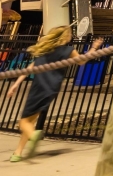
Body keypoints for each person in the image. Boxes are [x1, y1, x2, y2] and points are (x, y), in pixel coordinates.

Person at [6, 26, 103, 162]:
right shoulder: (68, 51)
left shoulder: (45, 50)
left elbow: (30, 68)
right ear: (65, 36)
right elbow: (82, 61)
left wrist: (16, 84)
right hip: (52, 88)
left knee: (23, 122)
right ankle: (18, 152)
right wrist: (94, 48)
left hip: (38, 87)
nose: (71, 36)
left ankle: (33, 135)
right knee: (30, 121)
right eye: (70, 34)